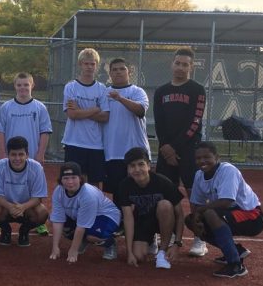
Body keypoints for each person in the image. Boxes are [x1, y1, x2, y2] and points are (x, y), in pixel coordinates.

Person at [152, 46, 207, 256]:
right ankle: (164, 237)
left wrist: (174, 148)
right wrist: (166, 148)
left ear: (191, 67)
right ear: (171, 64)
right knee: (165, 196)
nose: (180, 67)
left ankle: (200, 239)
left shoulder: (197, 90)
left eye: (185, 64)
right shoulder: (161, 91)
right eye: (177, 63)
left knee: (195, 195)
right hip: (166, 149)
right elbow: (159, 123)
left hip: (190, 150)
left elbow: (195, 122)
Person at [185, 142, 263, 279]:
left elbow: (226, 201)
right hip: (229, 214)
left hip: (252, 216)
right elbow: (195, 203)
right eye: (198, 158)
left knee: (210, 214)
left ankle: (235, 265)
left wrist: (201, 211)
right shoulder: (199, 175)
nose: (202, 161)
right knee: (190, 220)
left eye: (206, 157)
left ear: (217, 157)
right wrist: (195, 220)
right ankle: (236, 251)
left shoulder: (228, 170)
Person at [0, 72, 52, 235]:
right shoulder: (6, 107)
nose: (23, 88)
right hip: (11, 158)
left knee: (34, 189)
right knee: (7, 186)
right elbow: (0, 131)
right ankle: (1, 219)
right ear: (15, 86)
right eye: (19, 85)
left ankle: (37, 222)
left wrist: (40, 154)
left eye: (26, 84)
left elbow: (45, 132)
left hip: (31, 157)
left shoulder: (40, 107)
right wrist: (3, 154)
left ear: (32, 85)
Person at [114, 147, 185, 270]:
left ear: (148, 165)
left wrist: (177, 244)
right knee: (138, 257)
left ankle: (162, 252)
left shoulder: (163, 182)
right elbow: (128, 218)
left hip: (162, 219)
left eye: (141, 164)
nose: (137, 169)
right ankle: (150, 241)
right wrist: (129, 252)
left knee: (165, 205)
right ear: (128, 169)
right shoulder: (124, 186)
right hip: (142, 222)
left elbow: (180, 215)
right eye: (132, 166)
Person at [48, 162, 121, 263]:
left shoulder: (88, 195)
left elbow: (81, 226)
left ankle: (110, 243)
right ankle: (83, 240)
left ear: (80, 178)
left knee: (92, 236)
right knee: (60, 224)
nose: (70, 182)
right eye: (66, 178)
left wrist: (73, 250)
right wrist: (55, 247)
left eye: (73, 177)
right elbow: (57, 220)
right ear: (61, 180)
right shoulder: (58, 191)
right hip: (80, 215)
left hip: (106, 216)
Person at [60, 48, 109, 189]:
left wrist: (80, 110)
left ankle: (94, 210)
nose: (89, 67)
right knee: (72, 182)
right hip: (74, 142)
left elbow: (105, 116)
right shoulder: (71, 87)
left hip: (95, 144)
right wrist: (94, 109)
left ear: (96, 66)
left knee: (95, 183)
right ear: (80, 64)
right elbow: (72, 115)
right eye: (86, 63)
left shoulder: (101, 89)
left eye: (92, 64)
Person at [0, 136, 49, 248]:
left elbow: (38, 197)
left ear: (27, 155)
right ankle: (6, 231)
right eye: (13, 154)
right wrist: (10, 207)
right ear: (8, 155)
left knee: (42, 212)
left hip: (27, 208)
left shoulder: (36, 168)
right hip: (6, 207)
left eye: (21, 154)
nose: (17, 158)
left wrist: (23, 207)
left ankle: (24, 232)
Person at [103, 58, 150, 195]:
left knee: (140, 192)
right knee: (117, 193)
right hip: (113, 152)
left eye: (122, 69)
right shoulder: (104, 93)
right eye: (114, 69)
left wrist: (120, 98)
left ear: (129, 71)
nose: (118, 72)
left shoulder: (137, 91)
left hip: (136, 150)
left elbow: (140, 111)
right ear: (110, 73)